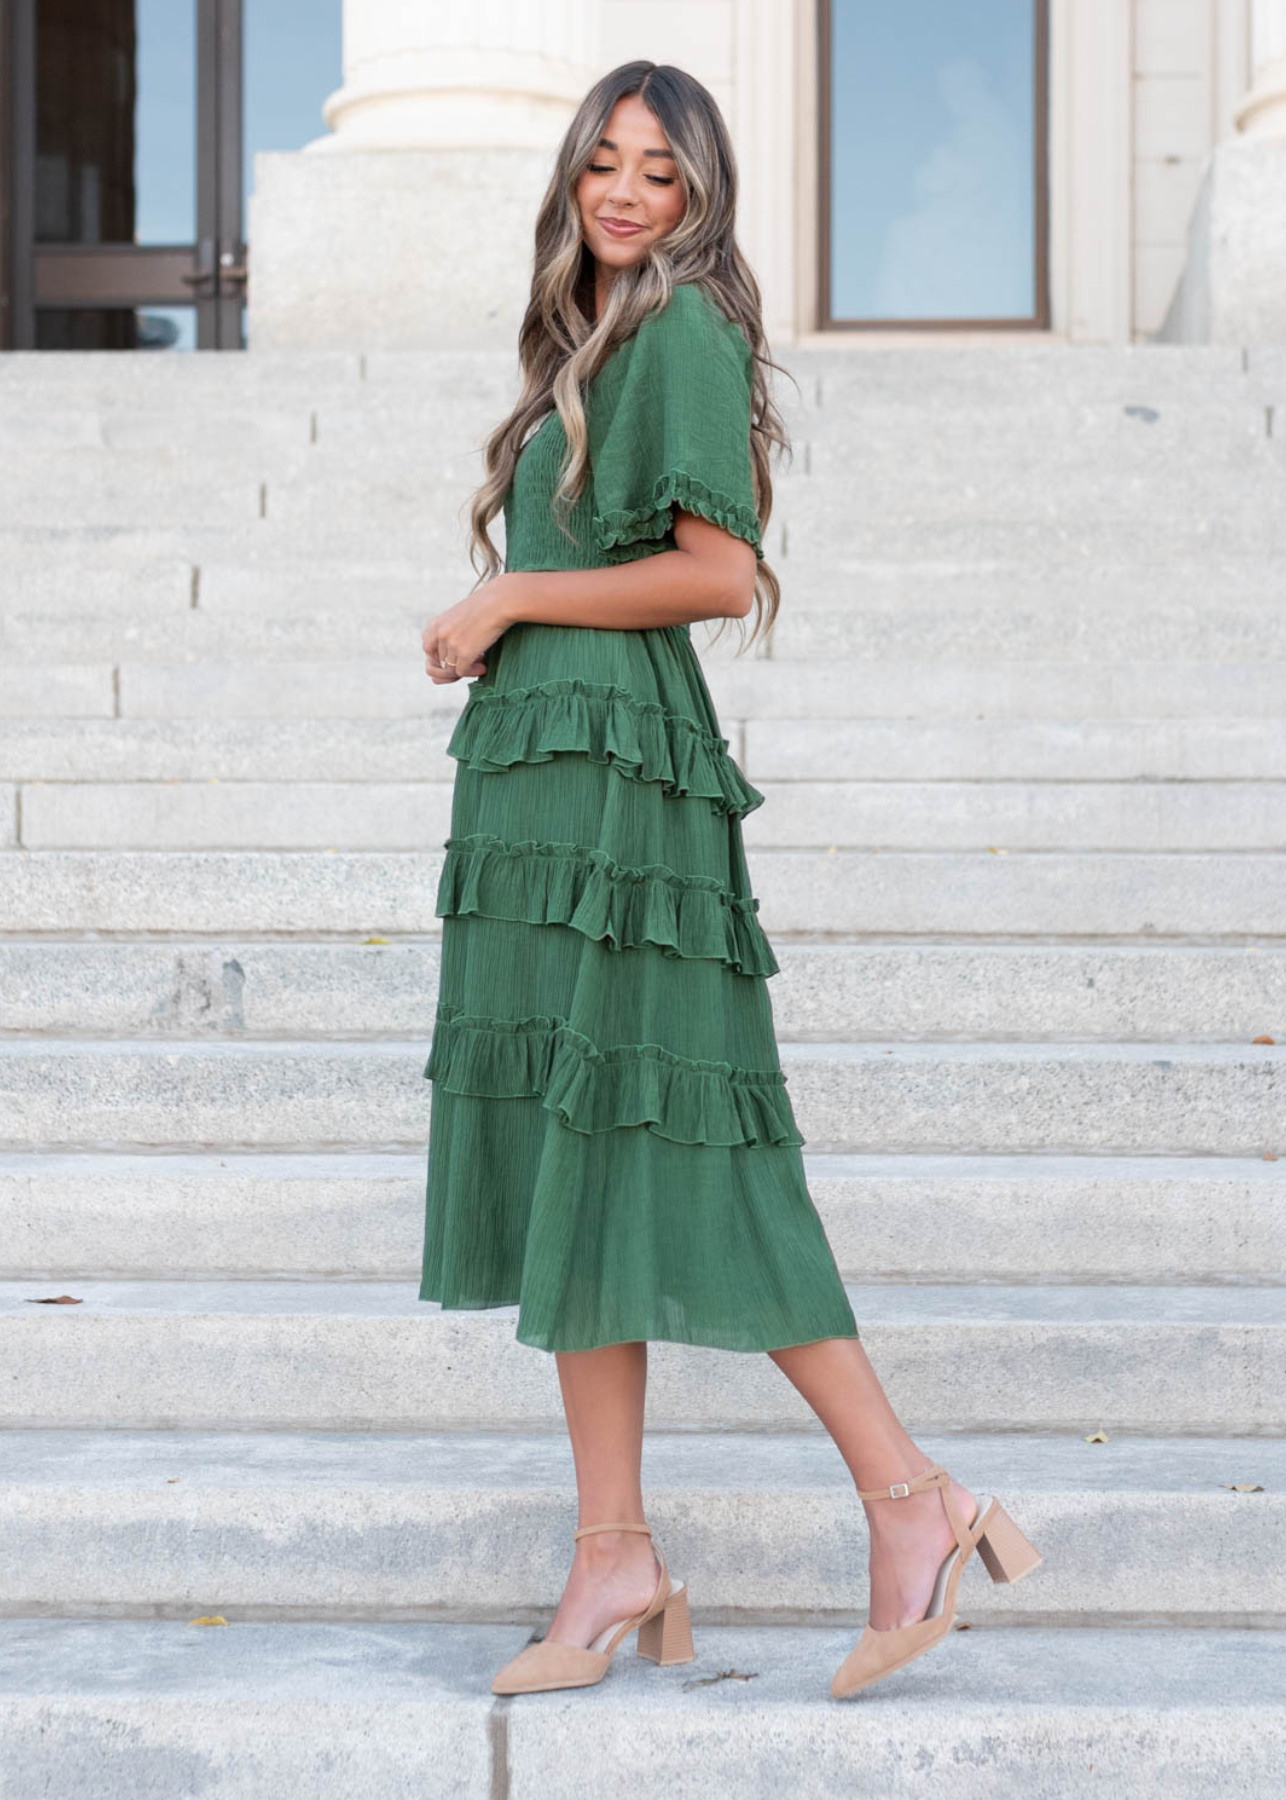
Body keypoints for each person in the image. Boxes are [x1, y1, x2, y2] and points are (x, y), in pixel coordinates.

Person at [418, 59, 1042, 1700]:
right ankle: (611, 1554)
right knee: (577, 1158)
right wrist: (506, 616)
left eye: (659, 174)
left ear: (701, 199)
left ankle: (912, 1495)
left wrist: (503, 606)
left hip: (624, 789)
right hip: (544, 792)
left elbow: (718, 567)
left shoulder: (682, 329)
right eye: (603, 165)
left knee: (696, 1147)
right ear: (571, 179)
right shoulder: (590, 340)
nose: (625, 193)